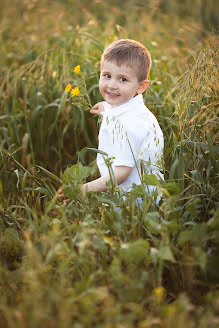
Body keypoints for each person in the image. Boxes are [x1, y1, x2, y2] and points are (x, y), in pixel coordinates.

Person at [58, 39, 164, 203]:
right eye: (107, 76)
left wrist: (83, 190)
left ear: (141, 86)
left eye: (123, 79)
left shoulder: (128, 125)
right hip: (145, 195)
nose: (112, 85)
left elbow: (120, 174)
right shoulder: (134, 111)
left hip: (134, 204)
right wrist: (107, 110)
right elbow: (121, 114)